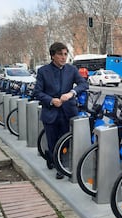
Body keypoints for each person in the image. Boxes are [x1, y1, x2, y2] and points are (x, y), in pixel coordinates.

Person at [34, 42, 89, 179]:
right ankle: (52, 157)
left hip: (68, 111)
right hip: (51, 112)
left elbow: (83, 84)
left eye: (65, 54)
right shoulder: (43, 71)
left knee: (66, 141)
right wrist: (51, 100)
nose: (63, 57)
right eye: (60, 54)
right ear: (53, 56)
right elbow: (37, 92)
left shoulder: (71, 70)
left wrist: (72, 93)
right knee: (52, 141)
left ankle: (61, 166)